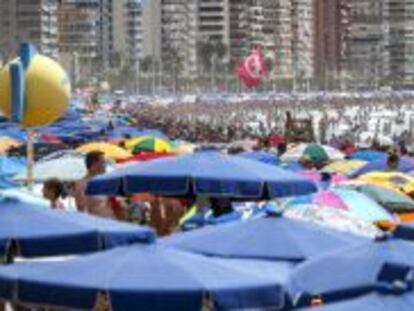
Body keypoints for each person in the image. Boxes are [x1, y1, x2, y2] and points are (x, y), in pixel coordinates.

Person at [73, 151, 117, 219]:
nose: (105, 165)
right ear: (94, 164)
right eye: (103, 162)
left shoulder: (105, 181)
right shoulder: (82, 184)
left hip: (111, 223)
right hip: (97, 225)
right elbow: (81, 209)